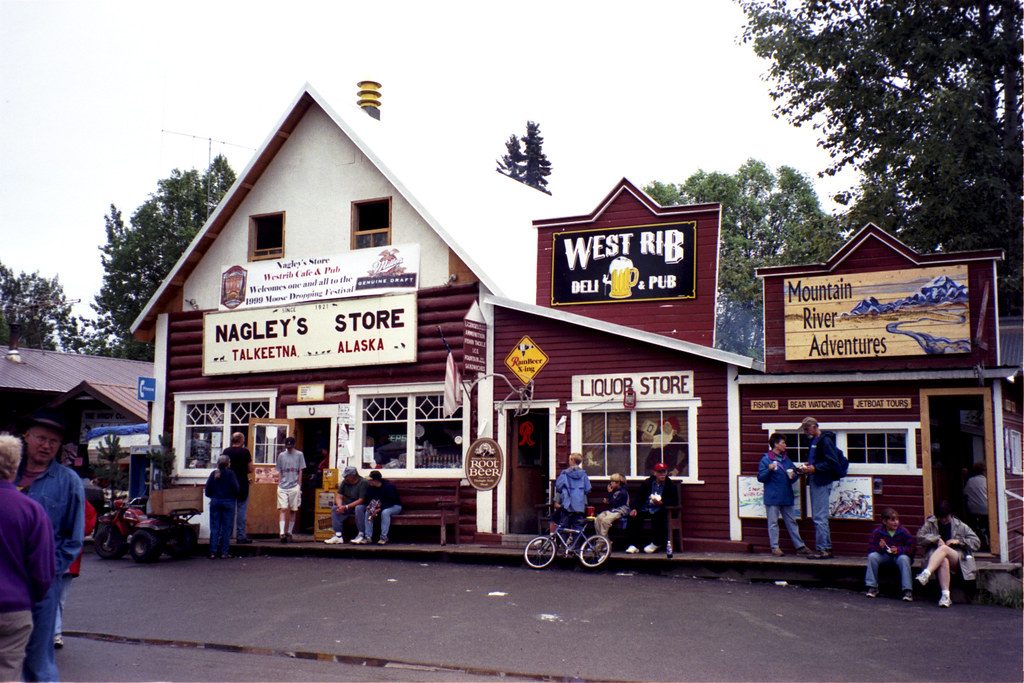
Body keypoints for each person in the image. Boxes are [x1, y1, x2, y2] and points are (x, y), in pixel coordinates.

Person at [14, 410, 85, 682]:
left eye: (53, 442)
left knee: (38, 658)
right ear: (27, 437)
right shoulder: (7, 475)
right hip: (6, 579)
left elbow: (74, 539)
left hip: (43, 583)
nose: (46, 446)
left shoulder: (69, 482)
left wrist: (49, 570)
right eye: (41, 438)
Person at [0, 433, 55, 683]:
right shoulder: (31, 510)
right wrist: (31, 596)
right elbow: (43, 571)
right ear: (15, 466)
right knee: (8, 673)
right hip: (14, 608)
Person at [915, 500, 980, 608]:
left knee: (944, 549)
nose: (944, 520)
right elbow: (919, 537)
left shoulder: (960, 525)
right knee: (943, 560)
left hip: (957, 559)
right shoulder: (931, 523)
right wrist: (935, 539)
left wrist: (959, 541)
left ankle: (926, 573)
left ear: (951, 514)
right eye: (941, 518)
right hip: (937, 559)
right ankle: (945, 596)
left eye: (946, 517)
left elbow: (976, 542)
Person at [757, 433, 811, 557]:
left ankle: (800, 547)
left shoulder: (787, 459)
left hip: (787, 496)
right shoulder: (766, 459)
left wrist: (793, 476)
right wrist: (768, 470)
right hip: (773, 497)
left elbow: (794, 477)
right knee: (773, 523)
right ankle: (775, 547)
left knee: (792, 522)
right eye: (783, 443)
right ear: (776, 444)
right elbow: (761, 478)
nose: (785, 445)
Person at [54, 500, 96, 648]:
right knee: (59, 598)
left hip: (63, 556)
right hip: (68, 555)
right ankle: (55, 633)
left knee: (56, 597)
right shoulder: (78, 499)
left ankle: (54, 633)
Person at [799, 417, 841, 559]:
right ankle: (826, 548)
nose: (805, 432)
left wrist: (815, 468)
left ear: (814, 427)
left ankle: (822, 549)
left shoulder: (825, 441)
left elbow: (832, 462)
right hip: (815, 480)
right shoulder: (814, 441)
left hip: (821, 481)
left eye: (806, 428)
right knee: (819, 516)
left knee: (819, 517)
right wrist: (809, 465)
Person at [625, 462, 679, 555]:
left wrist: (662, 503)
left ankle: (656, 543)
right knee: (633, 517)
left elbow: (674, 500)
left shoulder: (670, 485)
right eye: (660, 472)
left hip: (660, 509)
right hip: (646, 508)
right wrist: (634, 508)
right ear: (655, 473)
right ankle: (634, 545)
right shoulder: (648, 483)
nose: (662, 474)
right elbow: (638, 497)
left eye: (664, 472)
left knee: (658, 517)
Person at [864, 507, 916, 601]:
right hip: (885, 556)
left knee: (904, 559)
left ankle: (907, 590)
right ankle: (872, 587)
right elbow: (870, 548)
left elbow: (912, 548)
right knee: (872, 557)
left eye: (897, 519)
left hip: (899, 557)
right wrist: (880, 547)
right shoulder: (877, 532)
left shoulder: (904, 532)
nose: (896, 522)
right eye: (892, 520)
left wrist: (899, 550)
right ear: (884, 521)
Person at [221, 432, 254, 544]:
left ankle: (225, 535)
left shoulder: (226, 451)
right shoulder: (245, 452)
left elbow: (221, 466)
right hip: (242, 483)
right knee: (241, 511)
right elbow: (250, 469)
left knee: (228, 511)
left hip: (228, 483)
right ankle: (241, 536)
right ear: (241, 440)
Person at [205, 455, 240, 559]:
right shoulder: (231, 474)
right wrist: (234, 496)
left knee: (215, 528)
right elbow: (236, 488)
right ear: (227, 464)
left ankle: (212, 552)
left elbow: (207, 490)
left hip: (215, 501)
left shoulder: (214, 474)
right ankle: (224, 552)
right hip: (228, 502)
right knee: (226, 528)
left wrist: (214, 497)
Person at [325, 466, 369, 544]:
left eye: (347, 476)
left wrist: (345, 507)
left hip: (360, 504)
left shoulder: (363, 482)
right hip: (347, 504)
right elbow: (339, 496)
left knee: (359, 508)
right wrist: (340, 506)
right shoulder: (345, 482)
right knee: (335, 508)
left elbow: (361, 500)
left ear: (353, 476)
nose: (345, 478)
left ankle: (362, 534)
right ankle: (338, 535)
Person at [553, 452, 591, 532]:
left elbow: (559, 487)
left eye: (569, 459)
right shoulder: (584, 474)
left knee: (563, 527)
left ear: (572, 460)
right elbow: (587, 489)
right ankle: (576, 544)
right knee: (578, 528)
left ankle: (563, 544)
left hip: (567, 505)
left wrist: (557, 500)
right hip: (579, 505)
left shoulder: (565, 473)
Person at [275, 437, 304, 543]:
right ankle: (282, 532)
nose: (289, 448)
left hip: (294, 486)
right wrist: (279, 483)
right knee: (283, 509)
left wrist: (299, 485)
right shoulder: (281, 455)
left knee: (293, 509)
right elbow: (279, 471)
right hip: (283, 486)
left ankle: (290, 531)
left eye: (291, 446)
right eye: (287, 446)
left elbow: (300, 470)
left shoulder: (299, 455)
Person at [363, 471, 402, 545]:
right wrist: (372, 508)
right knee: (368, 512)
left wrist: (379, 509)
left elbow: (391, 501)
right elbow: (368, 499)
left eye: (370, 480)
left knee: (385, 513)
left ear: (375, 480)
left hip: (394, 506)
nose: (369, 481)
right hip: (378, 507)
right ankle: (368, 536)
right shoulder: (371, 488)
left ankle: (383, 537)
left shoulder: (389, 487)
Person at [594, 473, 630, 538]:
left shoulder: (623, 492)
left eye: (612, 481)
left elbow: (615, 504)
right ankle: (601, 539)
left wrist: (610, 493)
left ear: (618, 483)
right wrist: (608, 501)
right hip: (613, 511)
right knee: (599, 518)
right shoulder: (616, 491)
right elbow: (613, 501)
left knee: (605, 521)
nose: (611, 483)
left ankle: (602, 541)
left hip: (620, 512)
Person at [963, 461, 989, 550]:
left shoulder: (970, 481)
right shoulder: (987, 481)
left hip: (972, 510)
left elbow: (965, 493)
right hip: (986, 510)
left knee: (973, 526)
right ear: (984, 471)